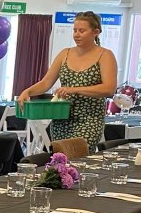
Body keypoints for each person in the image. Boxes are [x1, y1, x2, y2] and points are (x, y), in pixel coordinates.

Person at [17, 11, 117, 151]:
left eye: (82, 31)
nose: (77, 34)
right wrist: (27, 91)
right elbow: (46, 83)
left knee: (77, 156)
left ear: (96, 32)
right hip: (61, 119)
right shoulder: (65, 53)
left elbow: (109, 88)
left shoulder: (105, 55)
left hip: (89, 120)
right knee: (60, 159)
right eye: (75, 30)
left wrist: (74, 90)